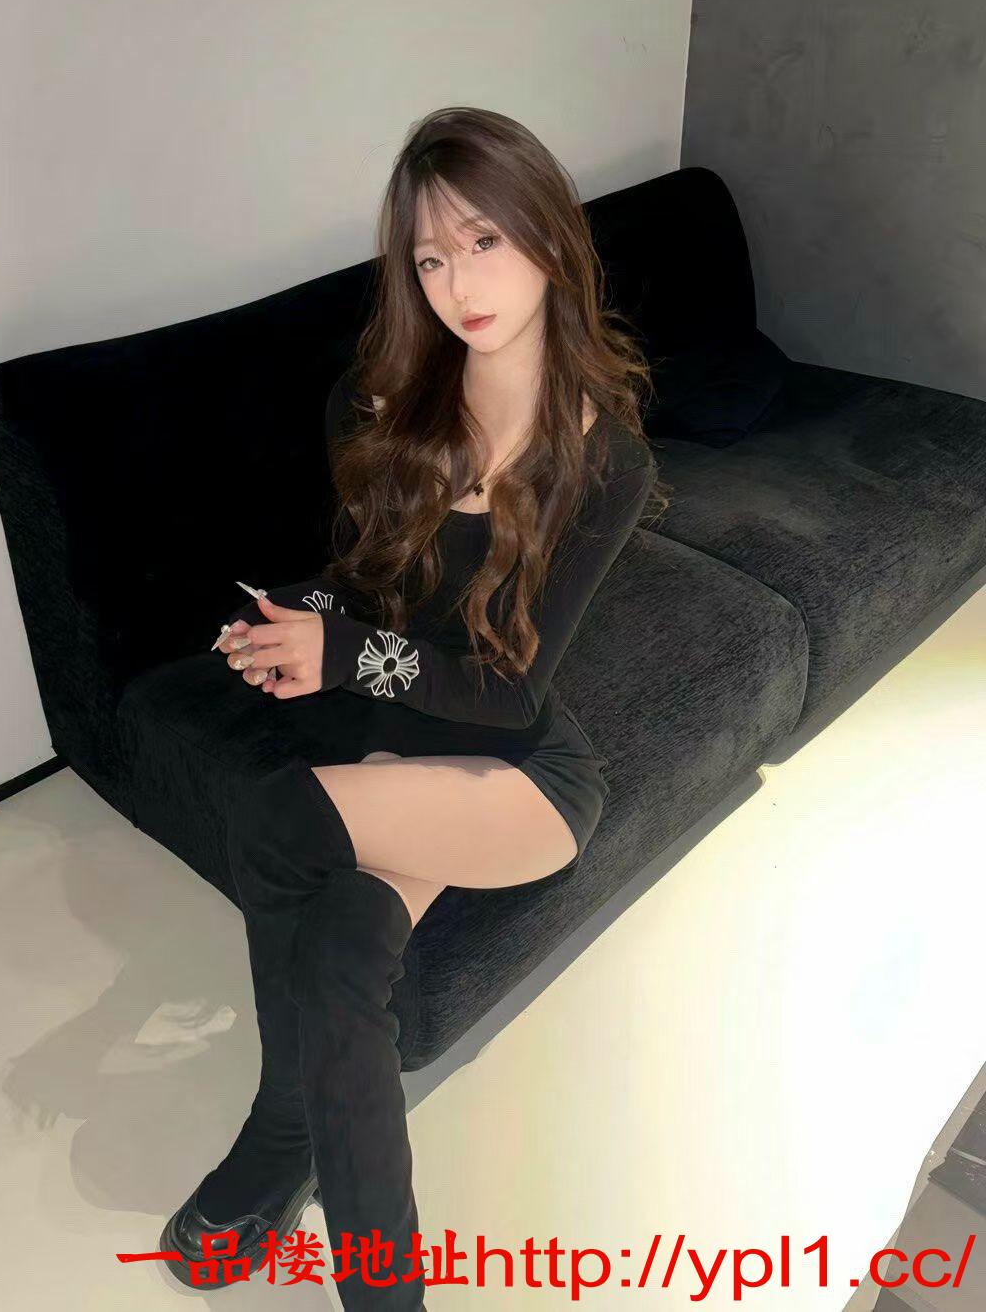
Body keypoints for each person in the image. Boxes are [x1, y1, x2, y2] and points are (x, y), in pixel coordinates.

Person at [158, 106, 667, 1305]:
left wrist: (341, 656)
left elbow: (507, 687)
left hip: (518, 774)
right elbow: (376, 589)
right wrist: (298, 619)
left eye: (484, 241)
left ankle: (279, 1135)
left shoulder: (605, 458)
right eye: (431, 258)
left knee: (275, 819)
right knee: (340, 960)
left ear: (549, 237)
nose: (459, 285)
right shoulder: (381, 401)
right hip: (401, 744)